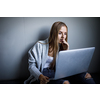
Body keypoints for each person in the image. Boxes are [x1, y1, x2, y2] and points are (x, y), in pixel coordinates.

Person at [24, 21, 95, 84]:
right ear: (53, 33)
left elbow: (66, 67)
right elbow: (31, 66)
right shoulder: (39, 45)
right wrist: (40, 76)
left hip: (57, 73)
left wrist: (66, 51)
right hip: (43, 74)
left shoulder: (61, 47)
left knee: (86, 76)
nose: (63, 37)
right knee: (65, 83)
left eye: (65, 34)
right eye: (60, 33)